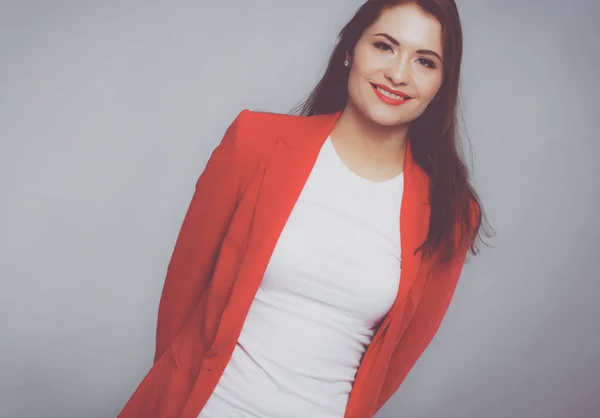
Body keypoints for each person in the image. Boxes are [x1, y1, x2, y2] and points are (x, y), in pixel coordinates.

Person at [119, 0, 491, 417]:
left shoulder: (451, 213)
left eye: (425, 61)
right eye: (385, 46)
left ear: (443, 82)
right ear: (351, 48)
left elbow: (395, 361)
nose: (399, 74)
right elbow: (182, 295)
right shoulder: (255, 143)